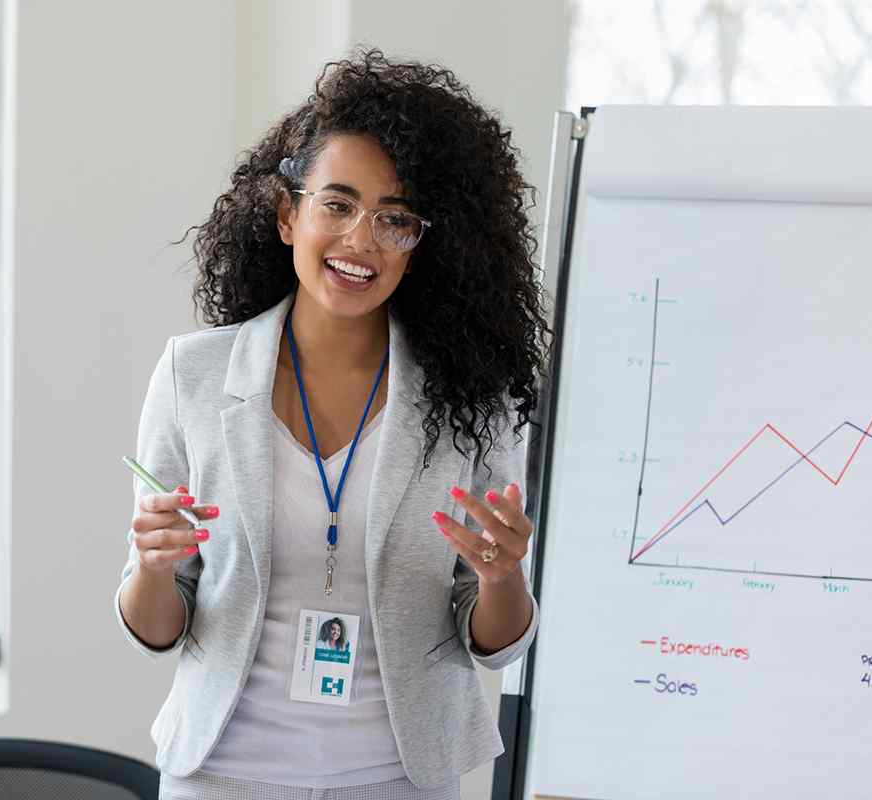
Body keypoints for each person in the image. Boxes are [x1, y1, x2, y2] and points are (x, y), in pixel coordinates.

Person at [116, 48, 552, 800]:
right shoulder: (194, 375)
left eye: (395, 219)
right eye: (338, 205)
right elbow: (158, 627)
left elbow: (492, 643)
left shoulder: (470, 399)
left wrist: (502, 576)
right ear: (288, 215)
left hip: (400, 779)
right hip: (221, 776)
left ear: (420, 249)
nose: (360, 241)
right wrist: (155, 567)